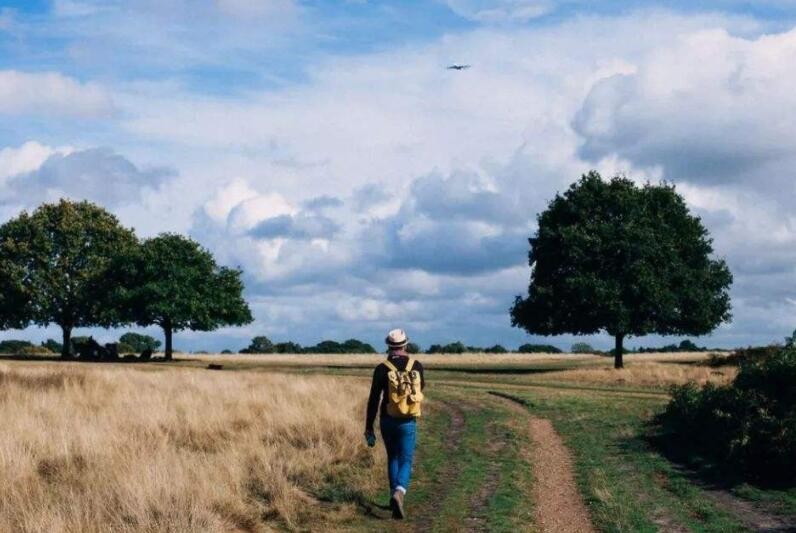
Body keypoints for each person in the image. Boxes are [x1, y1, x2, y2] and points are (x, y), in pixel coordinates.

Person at [364, 328, 425, 520]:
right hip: (408, 420)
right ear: (405, 344)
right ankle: (400, 492)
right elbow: (420, 388)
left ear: (388, 346)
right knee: (406, 459)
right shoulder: (416, 366)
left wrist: (368, 426)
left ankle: (393, 495)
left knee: (393, 457)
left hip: (387, 419)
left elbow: (374, 399)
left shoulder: (382, 368)